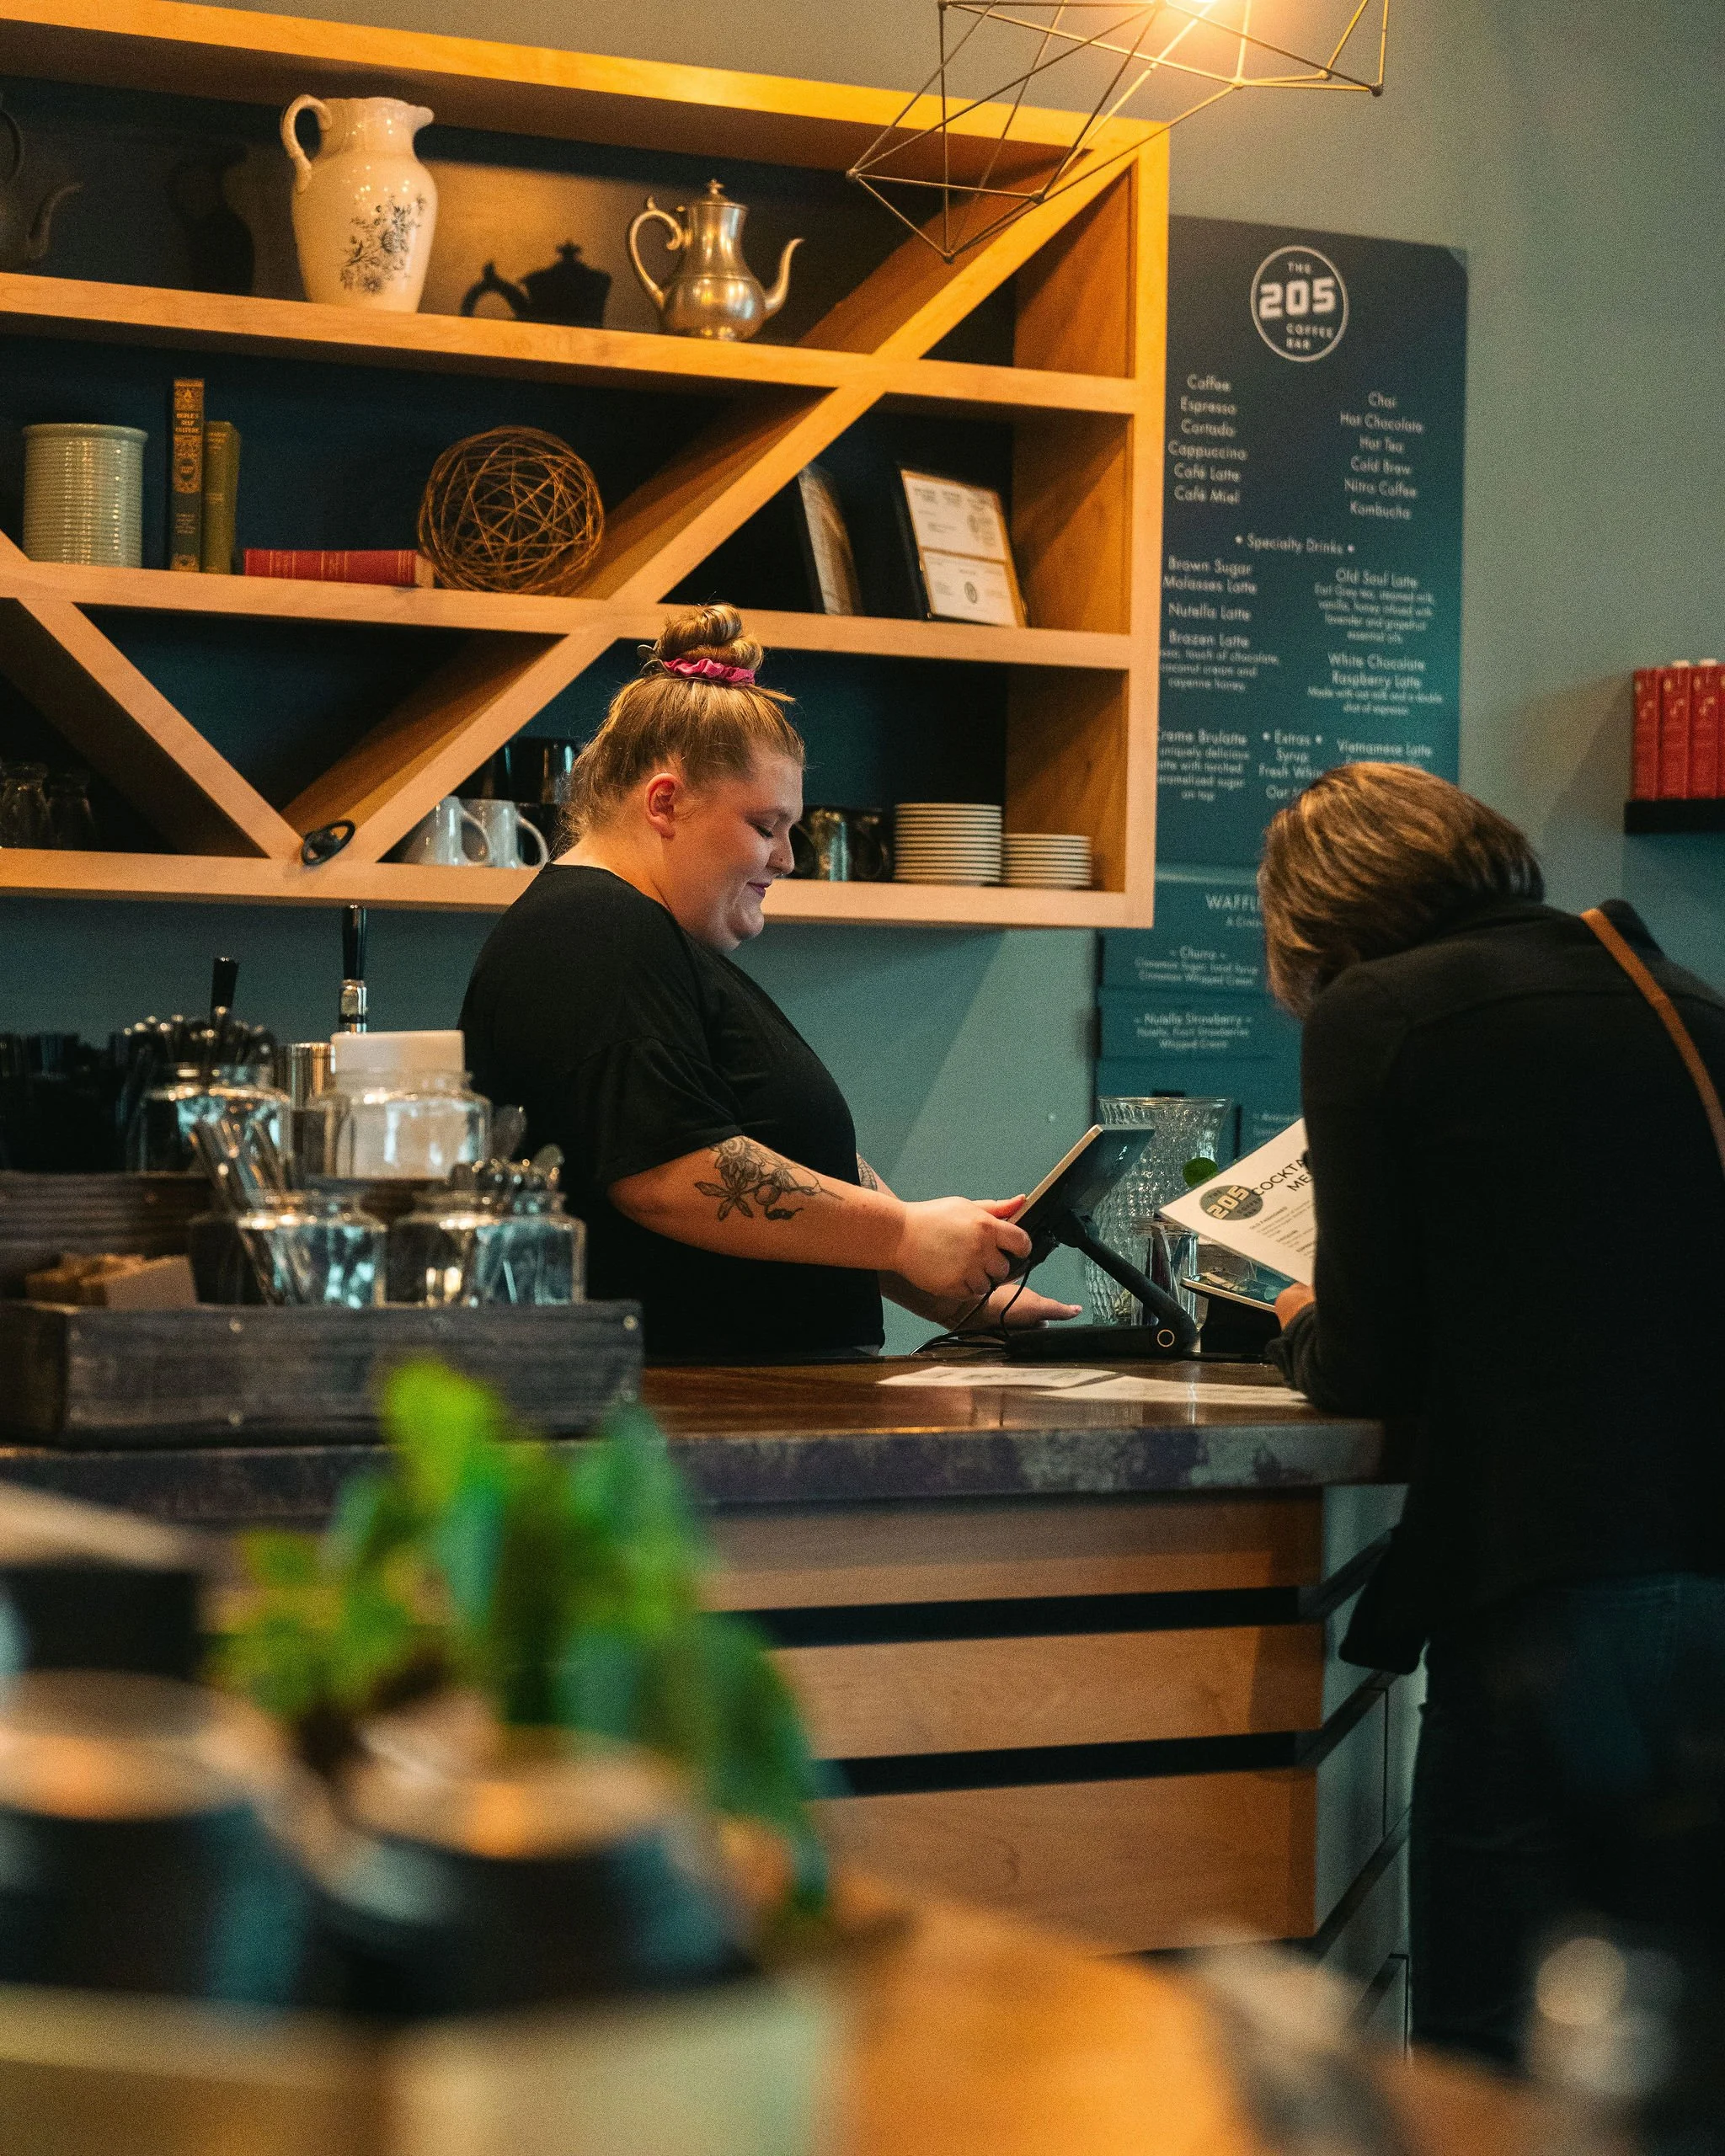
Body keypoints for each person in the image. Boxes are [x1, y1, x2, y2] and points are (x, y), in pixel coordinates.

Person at [1259, 761, 1725, 2066]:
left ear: (1317, 919)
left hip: (1559, 1578)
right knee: (1671, 2054)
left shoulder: (1378, 1014)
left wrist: (1295, 1318)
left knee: (1488, 2045)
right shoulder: (1675, 993)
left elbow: (1368, 1366)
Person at [459, 603, 1081, 1361]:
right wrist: (904, 1234)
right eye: (765, 827)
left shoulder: (649, 937)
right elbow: (671, 1171)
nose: (788, 858)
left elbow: (758, 1144)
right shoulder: (590, 931)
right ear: (666, 802)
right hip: (686, 1428)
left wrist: (934, 1276)